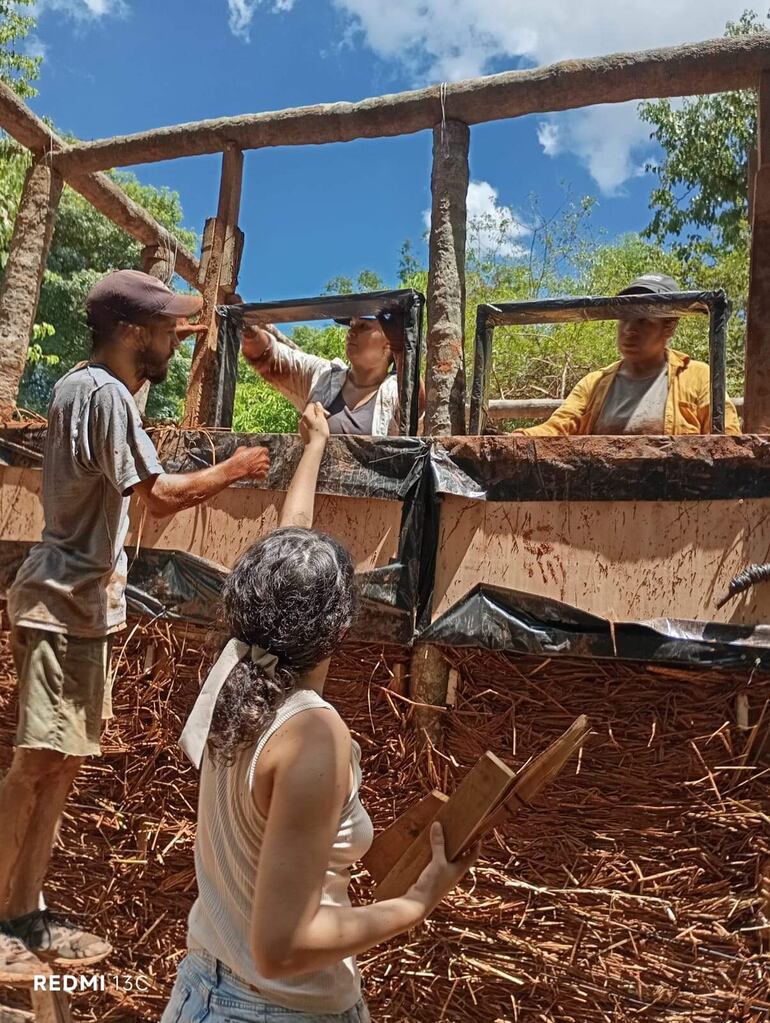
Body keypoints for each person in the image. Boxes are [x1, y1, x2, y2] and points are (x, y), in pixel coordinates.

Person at [162, 402, 477, 1023]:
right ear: (339, 629)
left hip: (205, 988)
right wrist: (417, 904)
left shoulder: (238, 666)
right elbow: (282, 949)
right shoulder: (312, 736)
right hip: (272, 1008)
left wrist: (313, 449)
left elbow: (291, 539)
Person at [0, 270, 271, 980]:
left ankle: (24, 909)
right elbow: (161, 497)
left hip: (76, 606)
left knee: (59, 763)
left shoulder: (79, 386)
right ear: (130, 332)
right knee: (34, 764)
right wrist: (238, 466)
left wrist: (179, 332)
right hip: (63, 606)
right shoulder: (109, 397)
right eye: (163, 328)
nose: (172, 341)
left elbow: (123, 467)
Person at [515, 273, 741, 437]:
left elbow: (728, 440)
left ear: (669, 326)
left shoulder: (698, 378)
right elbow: (558, 428)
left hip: (678, 500)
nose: (629, 330)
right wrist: (519, 440)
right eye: (624, 318)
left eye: (644, 321)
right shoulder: (593, 385)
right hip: (604, 500)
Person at [241, 312, 420, 436]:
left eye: (363, 325)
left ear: (388, 341)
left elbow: (416, 404)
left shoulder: (393, 391)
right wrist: (250, 332)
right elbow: (270, 357)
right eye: (351, 325)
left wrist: (402, 349)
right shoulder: (324, 375)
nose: (351, 331)